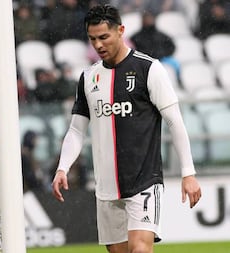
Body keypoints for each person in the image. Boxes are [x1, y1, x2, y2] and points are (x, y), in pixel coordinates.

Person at [51, 4, 201, 253]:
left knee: (140, 250)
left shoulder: (148, 69)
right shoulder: (88, 78)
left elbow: (175, 120)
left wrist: (189, 172)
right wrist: (62, 167)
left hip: (143, 181)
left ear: (120, 31)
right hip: (107, 188)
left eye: (103, 37)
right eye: (92, 39)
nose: (98, 45)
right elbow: (77, 130)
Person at [130, 11, 180, 75]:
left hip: (162, 59)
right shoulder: (135, 37)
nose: (149, 20)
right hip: (143, 62)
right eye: (147, 18)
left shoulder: (162, 35)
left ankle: (179, 81)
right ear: (142, 20)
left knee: (175, 64)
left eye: (150, 18)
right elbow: (132, 51)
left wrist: (163, 54)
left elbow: (172, 47)